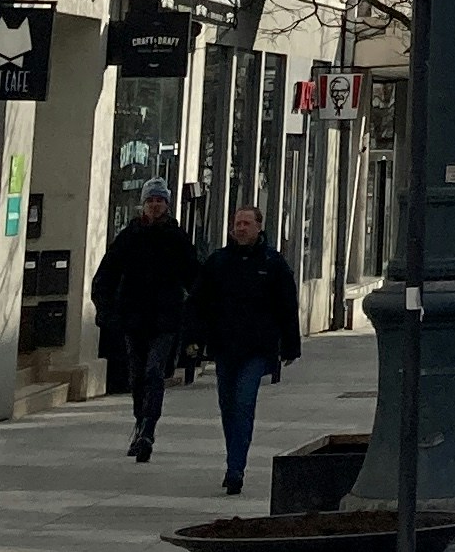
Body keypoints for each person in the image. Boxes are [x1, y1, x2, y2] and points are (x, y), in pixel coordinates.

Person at [194, 201, 303, 496]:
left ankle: (235, 468)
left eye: (246, 223)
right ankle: (234, 458)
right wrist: (195, 342)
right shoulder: (218, 262)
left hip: (257, 349)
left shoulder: (272, 263)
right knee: (227, 407)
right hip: (225, 347)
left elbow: (287, 306)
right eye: (237, 224)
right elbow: (200, 304)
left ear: (259, 227)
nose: (241, 228)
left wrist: (290, 346)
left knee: (243, 404)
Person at [91, 186, 200, 464]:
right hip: (134, 319)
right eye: (150, 200)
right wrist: (106, 310)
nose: (154, 205)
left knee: (154, 373)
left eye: (160, 201)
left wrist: (196, 318)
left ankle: (148, 431)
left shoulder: (176, 239)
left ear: (167, 205)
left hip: (165, 320)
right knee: (137, 376)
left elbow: (194, 279)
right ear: (143, 205)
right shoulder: (130, 237)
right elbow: (106, 276)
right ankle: (140, 421)